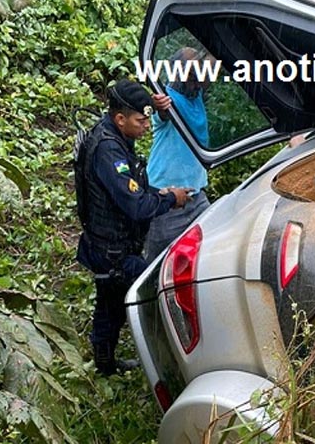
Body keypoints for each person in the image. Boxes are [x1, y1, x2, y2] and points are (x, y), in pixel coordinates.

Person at [75, 79, 191, 375]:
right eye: (141, 120)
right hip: (111, 249)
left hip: (110, 243)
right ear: (120, 118)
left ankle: (105, 365)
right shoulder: (108, 151)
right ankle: (169, 366)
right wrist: (168, 199)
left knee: (110, 304)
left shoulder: (113, 137)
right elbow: (136, 205)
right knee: (153, 297)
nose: (146, 126)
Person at [144, 47, 213, 262]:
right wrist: (159, 106)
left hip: (197, 195)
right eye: (192, 75)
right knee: (157, 262)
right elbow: (161, 112)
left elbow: (211, 66)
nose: (197, 80)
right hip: (166, 197)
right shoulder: (169, 99)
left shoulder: (197, 94)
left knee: (206, 254)